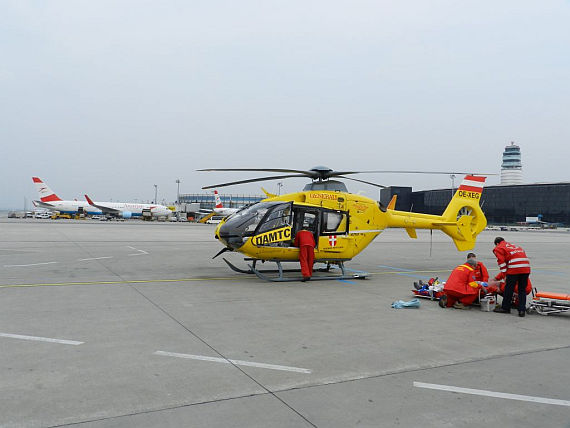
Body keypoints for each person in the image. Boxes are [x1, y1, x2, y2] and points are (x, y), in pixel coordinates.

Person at [492, 237, 531, 317]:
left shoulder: (498, 248)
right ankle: (521, 310)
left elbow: (501, 263)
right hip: (526, 268)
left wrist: (505, 275)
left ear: (497, 243)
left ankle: (505, 308)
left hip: (514, 269)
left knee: (508, 289)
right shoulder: (515, 246)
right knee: (522, 290)